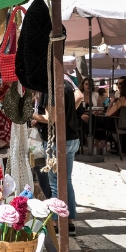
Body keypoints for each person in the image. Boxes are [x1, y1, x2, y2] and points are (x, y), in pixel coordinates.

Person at [37, 77, 81, 235]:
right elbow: (80, 96)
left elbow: (51, 118)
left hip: (57, 141)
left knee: (55, 184)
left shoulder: (49, 87)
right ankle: (69, 223)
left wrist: (32, 116)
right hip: (72, 138)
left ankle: (57, 223)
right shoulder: (67, 83)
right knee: (66, 181)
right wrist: (67, 116)